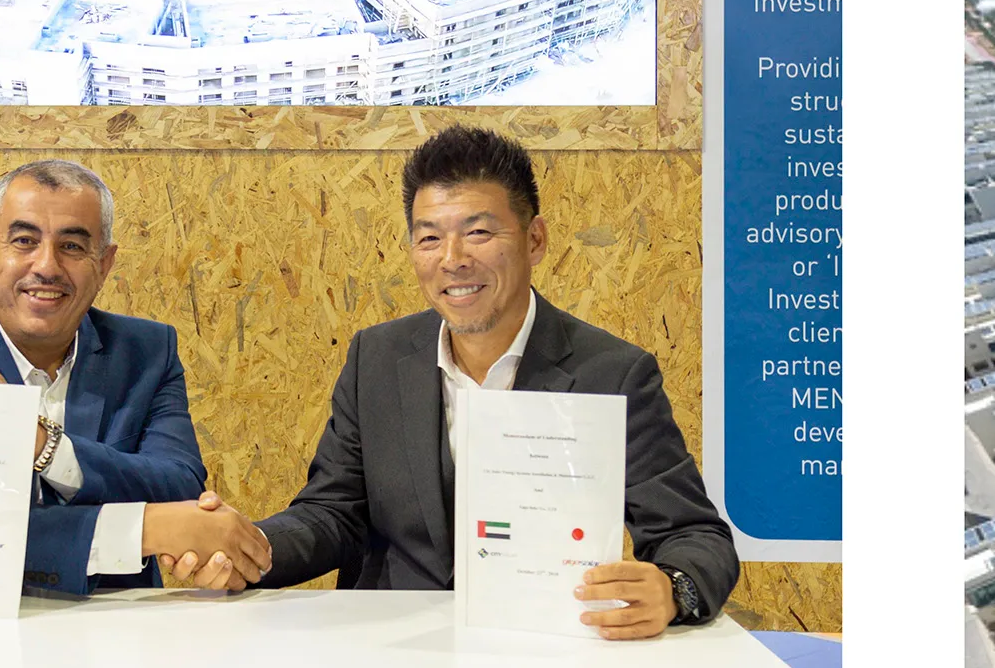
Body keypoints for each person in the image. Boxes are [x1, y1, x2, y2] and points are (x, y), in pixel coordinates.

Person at [159, 127, 737, 640]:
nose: (452, 259)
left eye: (478, 232)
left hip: (548, 652)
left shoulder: (611, 374)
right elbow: (334, 512)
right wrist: (249, 550)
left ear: (535, 240)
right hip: (394, 656)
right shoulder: (377, 358)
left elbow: (696, 536)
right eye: (429, 238)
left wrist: (673, 588)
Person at [0, 160, 267, 595]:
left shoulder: (147, 351)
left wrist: (42, 443)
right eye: (24, 241)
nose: (46, 266)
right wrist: (147, 529)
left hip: (116, 623)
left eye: (72, 246)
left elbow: (179, 487)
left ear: (104, 264)